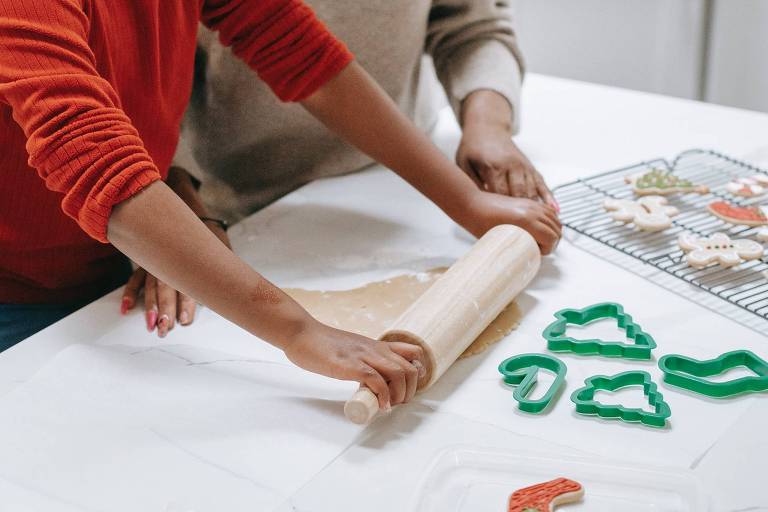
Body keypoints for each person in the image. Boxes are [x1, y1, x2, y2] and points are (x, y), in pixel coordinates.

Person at [0, 0, 560, 411]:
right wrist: (297, 331)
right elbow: (96, 165)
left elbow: (302, 54)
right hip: (17, 285)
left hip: (115, 258)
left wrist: (464, 199)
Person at [128, 0, 560, 335]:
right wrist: (177, 198)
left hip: (398, 181)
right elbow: (132, 80)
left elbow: (472, 25)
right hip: (236, 203)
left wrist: (487, 129)